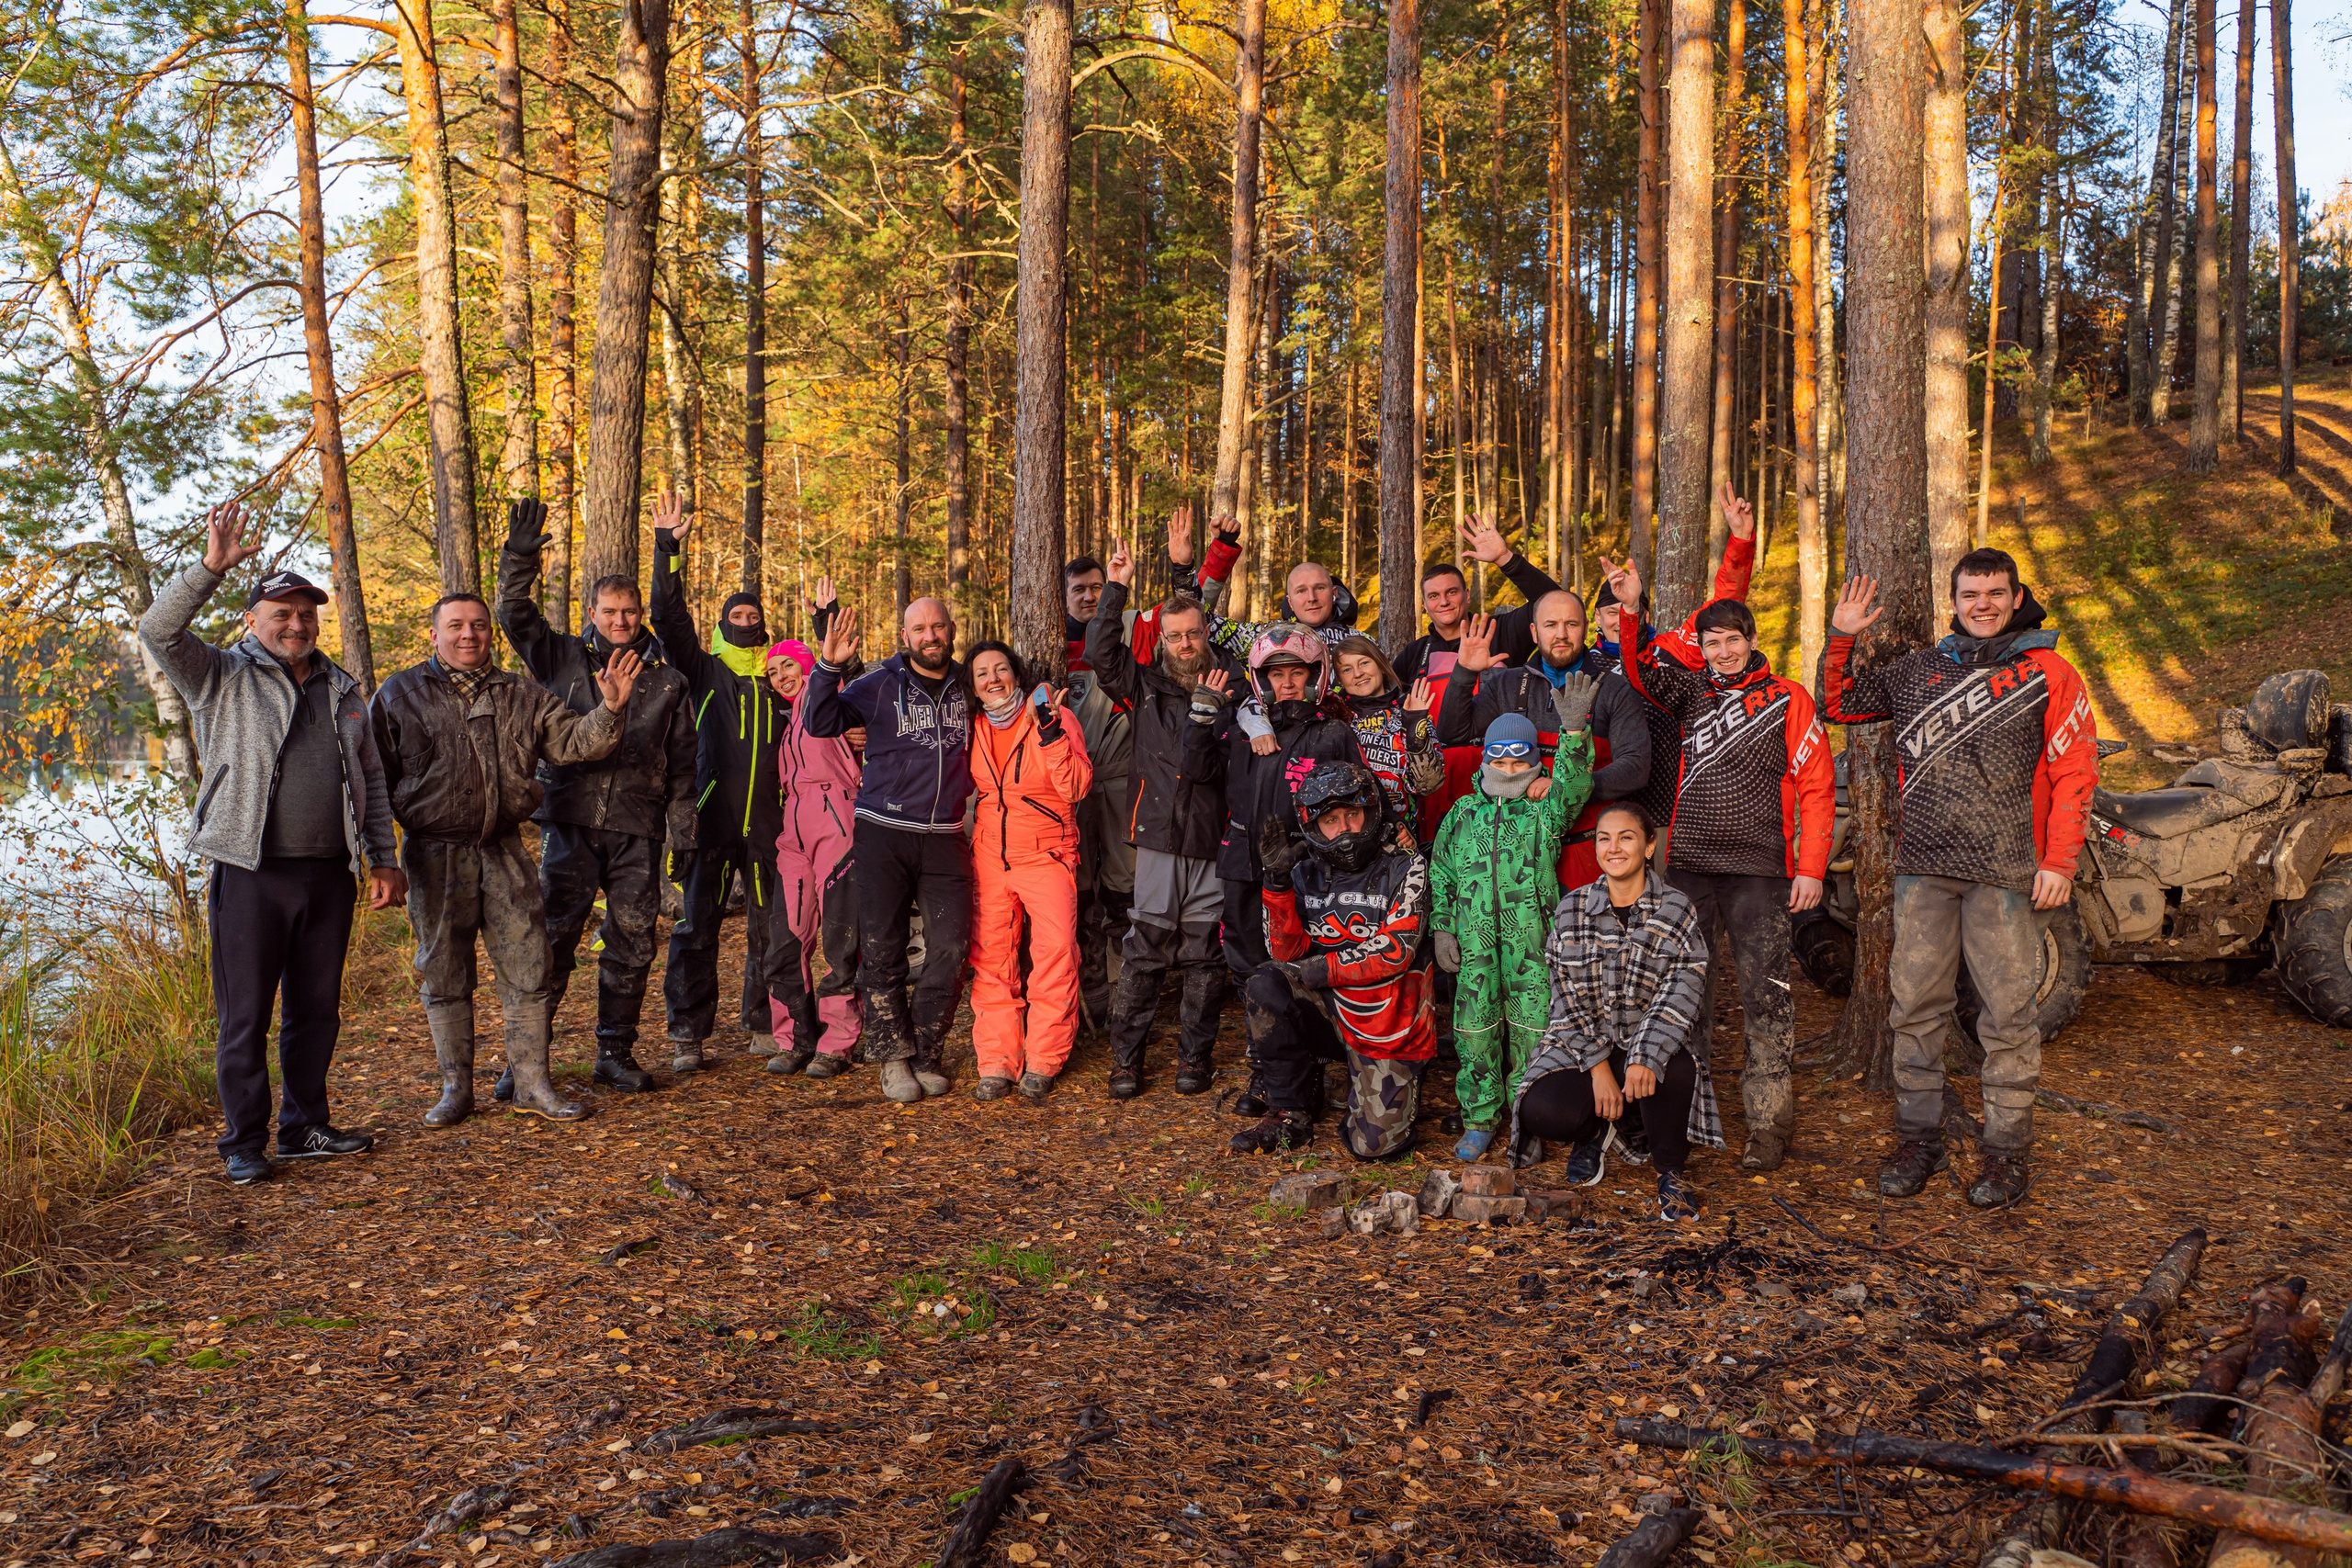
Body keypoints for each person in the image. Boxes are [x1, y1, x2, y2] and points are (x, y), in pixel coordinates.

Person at [138, 502, 405, 1185]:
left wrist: (382, 857)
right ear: (252, 621)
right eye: (281, 613)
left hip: (327, 876)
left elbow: (368, 777)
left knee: (316, 1009)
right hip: (249, 870)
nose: (296, 624)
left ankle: (304, 1125)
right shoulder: (219, 675)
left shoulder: (342, 688)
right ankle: (243, 1140)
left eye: (305, 614)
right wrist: (208, 568)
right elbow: (158, 629)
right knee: (246, 1014)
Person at [1819, 550, 2097, 1208]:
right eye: (1971, 593)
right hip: (1924, 870)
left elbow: (2076, 767)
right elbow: (1840, 704)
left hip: (2005, 871)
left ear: (2016, 595)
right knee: (1913, 1008)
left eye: (1995, 593)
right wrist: (1842, 635)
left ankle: (2006, 1151)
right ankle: (1920, 1137)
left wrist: (2059, 861)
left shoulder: (2047, 670)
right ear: (1954, 599)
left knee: (2008, 1016)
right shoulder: (1918, 669)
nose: (1983, 604)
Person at [373, 593, 641, 1125]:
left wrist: (610, 708)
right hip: (432, 854)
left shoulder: (523, 694)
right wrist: (381, 858)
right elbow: (374, 782)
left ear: (489, 634)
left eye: (477, 625)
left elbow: (574, 743)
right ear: (434, 634)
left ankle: (532, 1084)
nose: (468, 634)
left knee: (529, 963)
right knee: (444, 968)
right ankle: (456, 1089)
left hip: (503, 849)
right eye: (455, 626)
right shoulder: (399, 695)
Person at [1605, 554, 1834, 1172]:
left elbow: (1816, 784)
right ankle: (1684, 1120)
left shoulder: (1789, 699)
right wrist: (1632, 610)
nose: (1725, 650)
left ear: (1752, 640)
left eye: (1734, 639)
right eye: (1713, 641)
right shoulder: (1689, 692)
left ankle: (1768, 1123)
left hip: (1762, 869)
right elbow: (1638, 669)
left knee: (1768, 998)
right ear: (1701, 648)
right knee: (1684, 996)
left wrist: (1811, 867)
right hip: (1690, 869)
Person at [494, 499, 695, 1098]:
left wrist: (683, 835)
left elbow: (685, 764)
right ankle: (525, 1060)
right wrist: (520, 554)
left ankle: (615, 1050)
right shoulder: (559, 657)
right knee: (552, 939)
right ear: (592, 612)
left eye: (629, 611)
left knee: (633, 940)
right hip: (571, 822)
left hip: (640, 827)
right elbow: (513, 611)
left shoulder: (667, 677)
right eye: (610, 611)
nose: (621, 620)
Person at [1509, 803, 1717, 1222]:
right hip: (1588, 1040)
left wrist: (1645, 1056)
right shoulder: (1572, 908)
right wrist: (1598, 1067)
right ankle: (1596, 1131)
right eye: (1605, 838)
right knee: (1541, 1109)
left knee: (1674, 1069)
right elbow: (1563, 999)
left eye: (1626, 837)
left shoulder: (1677, 909)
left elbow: (1681, 993)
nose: (1614, 847)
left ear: (1649, 845)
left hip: (1651, 1037)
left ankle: (1670, 1175)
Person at [802, 597, 975, 1102]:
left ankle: (925, 1052)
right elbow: (819, 720)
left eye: (938, 626)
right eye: (919, 628)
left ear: (951, 629)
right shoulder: (879, 683)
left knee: (950, 949)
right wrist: (827, 665)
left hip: (946, 834)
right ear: (905, 636)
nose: (930, 636)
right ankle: (892, 1058)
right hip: (883, 829)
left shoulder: (968, 686)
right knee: (881, 947)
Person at [1088, 548, 1245, 1100]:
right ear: (1163, 640)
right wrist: (1116, 588)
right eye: (1174, 635)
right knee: (1146, 947)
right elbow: (1100, 654)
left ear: (1206, 635)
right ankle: (1126, 1063)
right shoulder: (1145, 686)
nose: (1183, 644)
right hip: (1154, 834)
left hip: (1210, 838)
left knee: (1205, 953)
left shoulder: (1234, 689)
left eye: (1192, 634)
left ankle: (1193, 1061)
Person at [1229, 762, 1437, 1157]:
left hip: (1389, 1022)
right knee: (1265, 984)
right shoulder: (1304, 871)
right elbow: (1283, 953)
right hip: (1331, 1008)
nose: (1343, 828)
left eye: (1352, 815)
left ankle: (1389, 1083)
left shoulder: (1406, 866)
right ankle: (1290, 1110)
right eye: (1330, 820)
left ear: (1371, 813)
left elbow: (1397, 950)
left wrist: (1318, 969)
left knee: (1374, 1148)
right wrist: (1276, 885)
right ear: (1313, 826)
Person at [650, 496, 788, 1074]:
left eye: (754, 617)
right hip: (709, 820)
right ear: (723, 623)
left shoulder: (785, 678)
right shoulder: (704, 669)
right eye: (737, 617)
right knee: (696, 926)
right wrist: (668, 549)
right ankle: (687, 1032)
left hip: (771, 823)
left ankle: (763, 1021)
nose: (746, 622)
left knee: (771, 928)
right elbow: (667, 616)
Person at [1429, 700, 1597, 1163]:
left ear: (1534, 762)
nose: (1509, 770)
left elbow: (1574, 787)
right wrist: (1443, 929)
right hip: (1475, 945)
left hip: (1530, 945)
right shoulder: (1463, 814)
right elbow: (1440, 873)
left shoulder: (1543, 810)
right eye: (1499, 761)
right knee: (1475, 1031)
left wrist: (1575, 732)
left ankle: (1529, 1120)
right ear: (1485, 760)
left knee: (1534, 1033)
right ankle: (1480, 1120)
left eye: (1519, 761)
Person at [1432, 593, 1651, 888]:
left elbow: (1636, 767)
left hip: (1586, 853)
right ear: (1535, 632)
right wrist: (1464, 673)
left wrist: (1566, 789)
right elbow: (1452, 733)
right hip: (1518, 857)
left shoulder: (1613, 689)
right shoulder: (1507, 685)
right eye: (1550, 625)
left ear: (1585, 628)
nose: (1561, 634)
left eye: (1570, 624)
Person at [1390, 516, 1575, 842]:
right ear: (1424, 605)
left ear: (1466, 593)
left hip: (1501, 773)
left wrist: (1506, 559)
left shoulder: (1500, 630)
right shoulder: (1412, 655)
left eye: (1451, 592)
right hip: (1437, 780)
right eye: (1434, 596)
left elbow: (1553, 601)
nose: (1443, 601)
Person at [966, 642, 1095, 1100]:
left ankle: (1044, 1058)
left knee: (1056, 953)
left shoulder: (1051, 716)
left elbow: (1077, 786)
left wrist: (1051, 734)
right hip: (990, 857)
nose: (993, 679)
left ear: (1016, 674)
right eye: (982, 673)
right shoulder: (974, 726)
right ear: (973, 686)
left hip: (1048, 854)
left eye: (1001, 669)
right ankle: (997, 1061)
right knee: (992, 961)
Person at [1592, 484, 1760, 833]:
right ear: (1595, 618)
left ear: (1643, 616)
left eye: (1624, 610)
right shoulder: (1580, 663)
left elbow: (1721, 609)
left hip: (1674, 805)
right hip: (1606, 809)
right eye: (1610, 612)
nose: (1616, 619)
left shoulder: (1670, 650)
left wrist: (1741, 541)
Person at [763, 599, 866, 1077]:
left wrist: (826, 622)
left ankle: (839, 1040)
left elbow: (843, 683)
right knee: (787, 938)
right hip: (794, 832)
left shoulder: (829, 700)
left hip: (836, 819)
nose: (781, 674)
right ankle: (793, 1038)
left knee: (838, 936)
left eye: (788, 664)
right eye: (772, 671)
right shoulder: (786, 725)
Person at [1329, 638, 1444, 832]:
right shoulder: (1333, 718)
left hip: (1402, 837)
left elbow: (1429, 785)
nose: (1358, 674)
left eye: (1364, 663)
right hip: (1346, 835)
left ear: (1380, 663)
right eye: (1347, 670)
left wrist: (1415, 724)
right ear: (1340, 680)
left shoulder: (1409, 709)